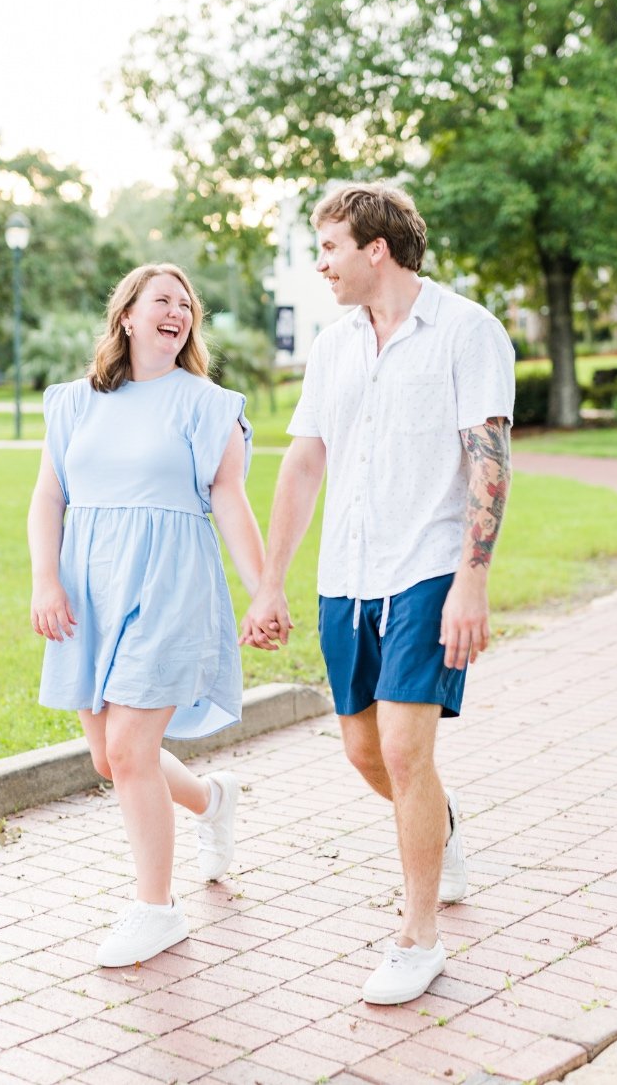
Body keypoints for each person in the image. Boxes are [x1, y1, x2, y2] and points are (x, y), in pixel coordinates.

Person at [241, 182, 514, 1006]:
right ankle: (442, 821)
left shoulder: (469, 331)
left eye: (328, 248)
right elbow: (304, 463)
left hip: (428, 567)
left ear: (375, 250)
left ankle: (418, 937)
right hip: (346, 576)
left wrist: (473, 578)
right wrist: (269, 583)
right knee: (365, 753)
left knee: (403, 750)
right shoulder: (333, 348)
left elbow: (490, 460)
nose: (320, 265)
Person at [28, 263, 266, 967]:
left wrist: (266, 591)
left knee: (131, 751)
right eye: (162, 299)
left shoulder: (207, 405)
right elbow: (49, 498)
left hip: (169, 584)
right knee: (111, 758)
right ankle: (213, 801)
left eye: (187, 303)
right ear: (126, 316)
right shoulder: (73, 404)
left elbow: (231, 501)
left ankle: (156, 909)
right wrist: (47, 579)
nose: (178, 310)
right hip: (87, 586)